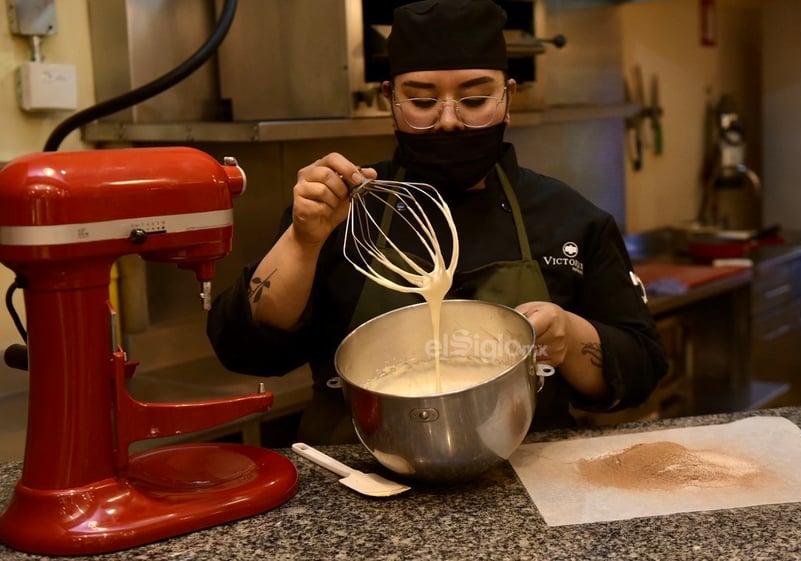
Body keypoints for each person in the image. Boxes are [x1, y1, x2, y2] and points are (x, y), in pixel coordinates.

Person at [207, 0, 668, 444]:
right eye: (423, 102)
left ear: (508, 97)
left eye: (474, 99)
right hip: (360, 477)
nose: (450, 121)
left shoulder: (570, 218)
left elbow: (641, 367)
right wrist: (302, 241)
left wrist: (569, 336)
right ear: (390, 99)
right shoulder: (344, 212)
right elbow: (245, 351)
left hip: (527, 479)